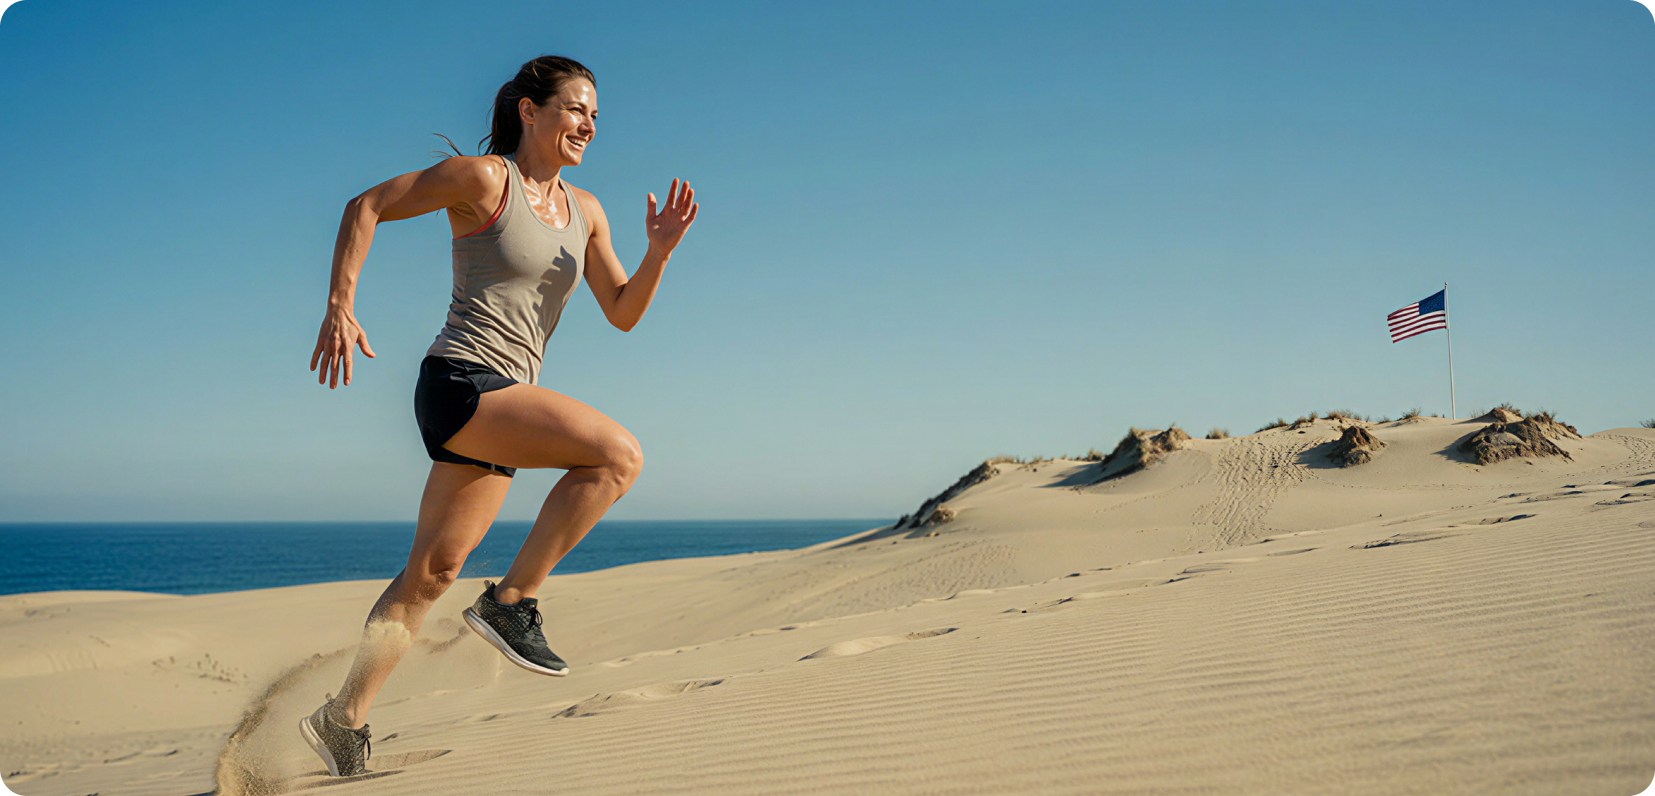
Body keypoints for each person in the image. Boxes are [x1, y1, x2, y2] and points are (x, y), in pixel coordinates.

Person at [298, 55, 697, 777]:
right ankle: (513, 601)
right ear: (529, 111)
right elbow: (365, 206)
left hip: (502, 403)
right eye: (575, 109)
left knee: (431, 573)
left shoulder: (589, 211)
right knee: (616, 456)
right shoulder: (486, 181)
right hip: (461, 381)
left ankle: (342, 717)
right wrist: (340, 303)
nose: (588, 124)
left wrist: (658, 253)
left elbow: (623, 314)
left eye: (596, 116)